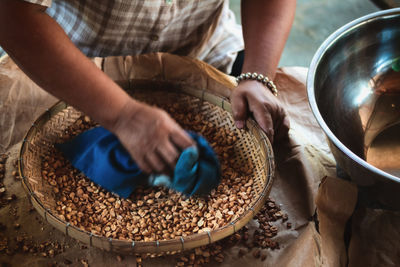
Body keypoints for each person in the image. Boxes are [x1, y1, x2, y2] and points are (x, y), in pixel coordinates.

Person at [0, 0, 295, 175]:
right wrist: (122, 115)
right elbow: (12, 13)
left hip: (202, 48)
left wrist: (257, 75)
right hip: (71, 66)